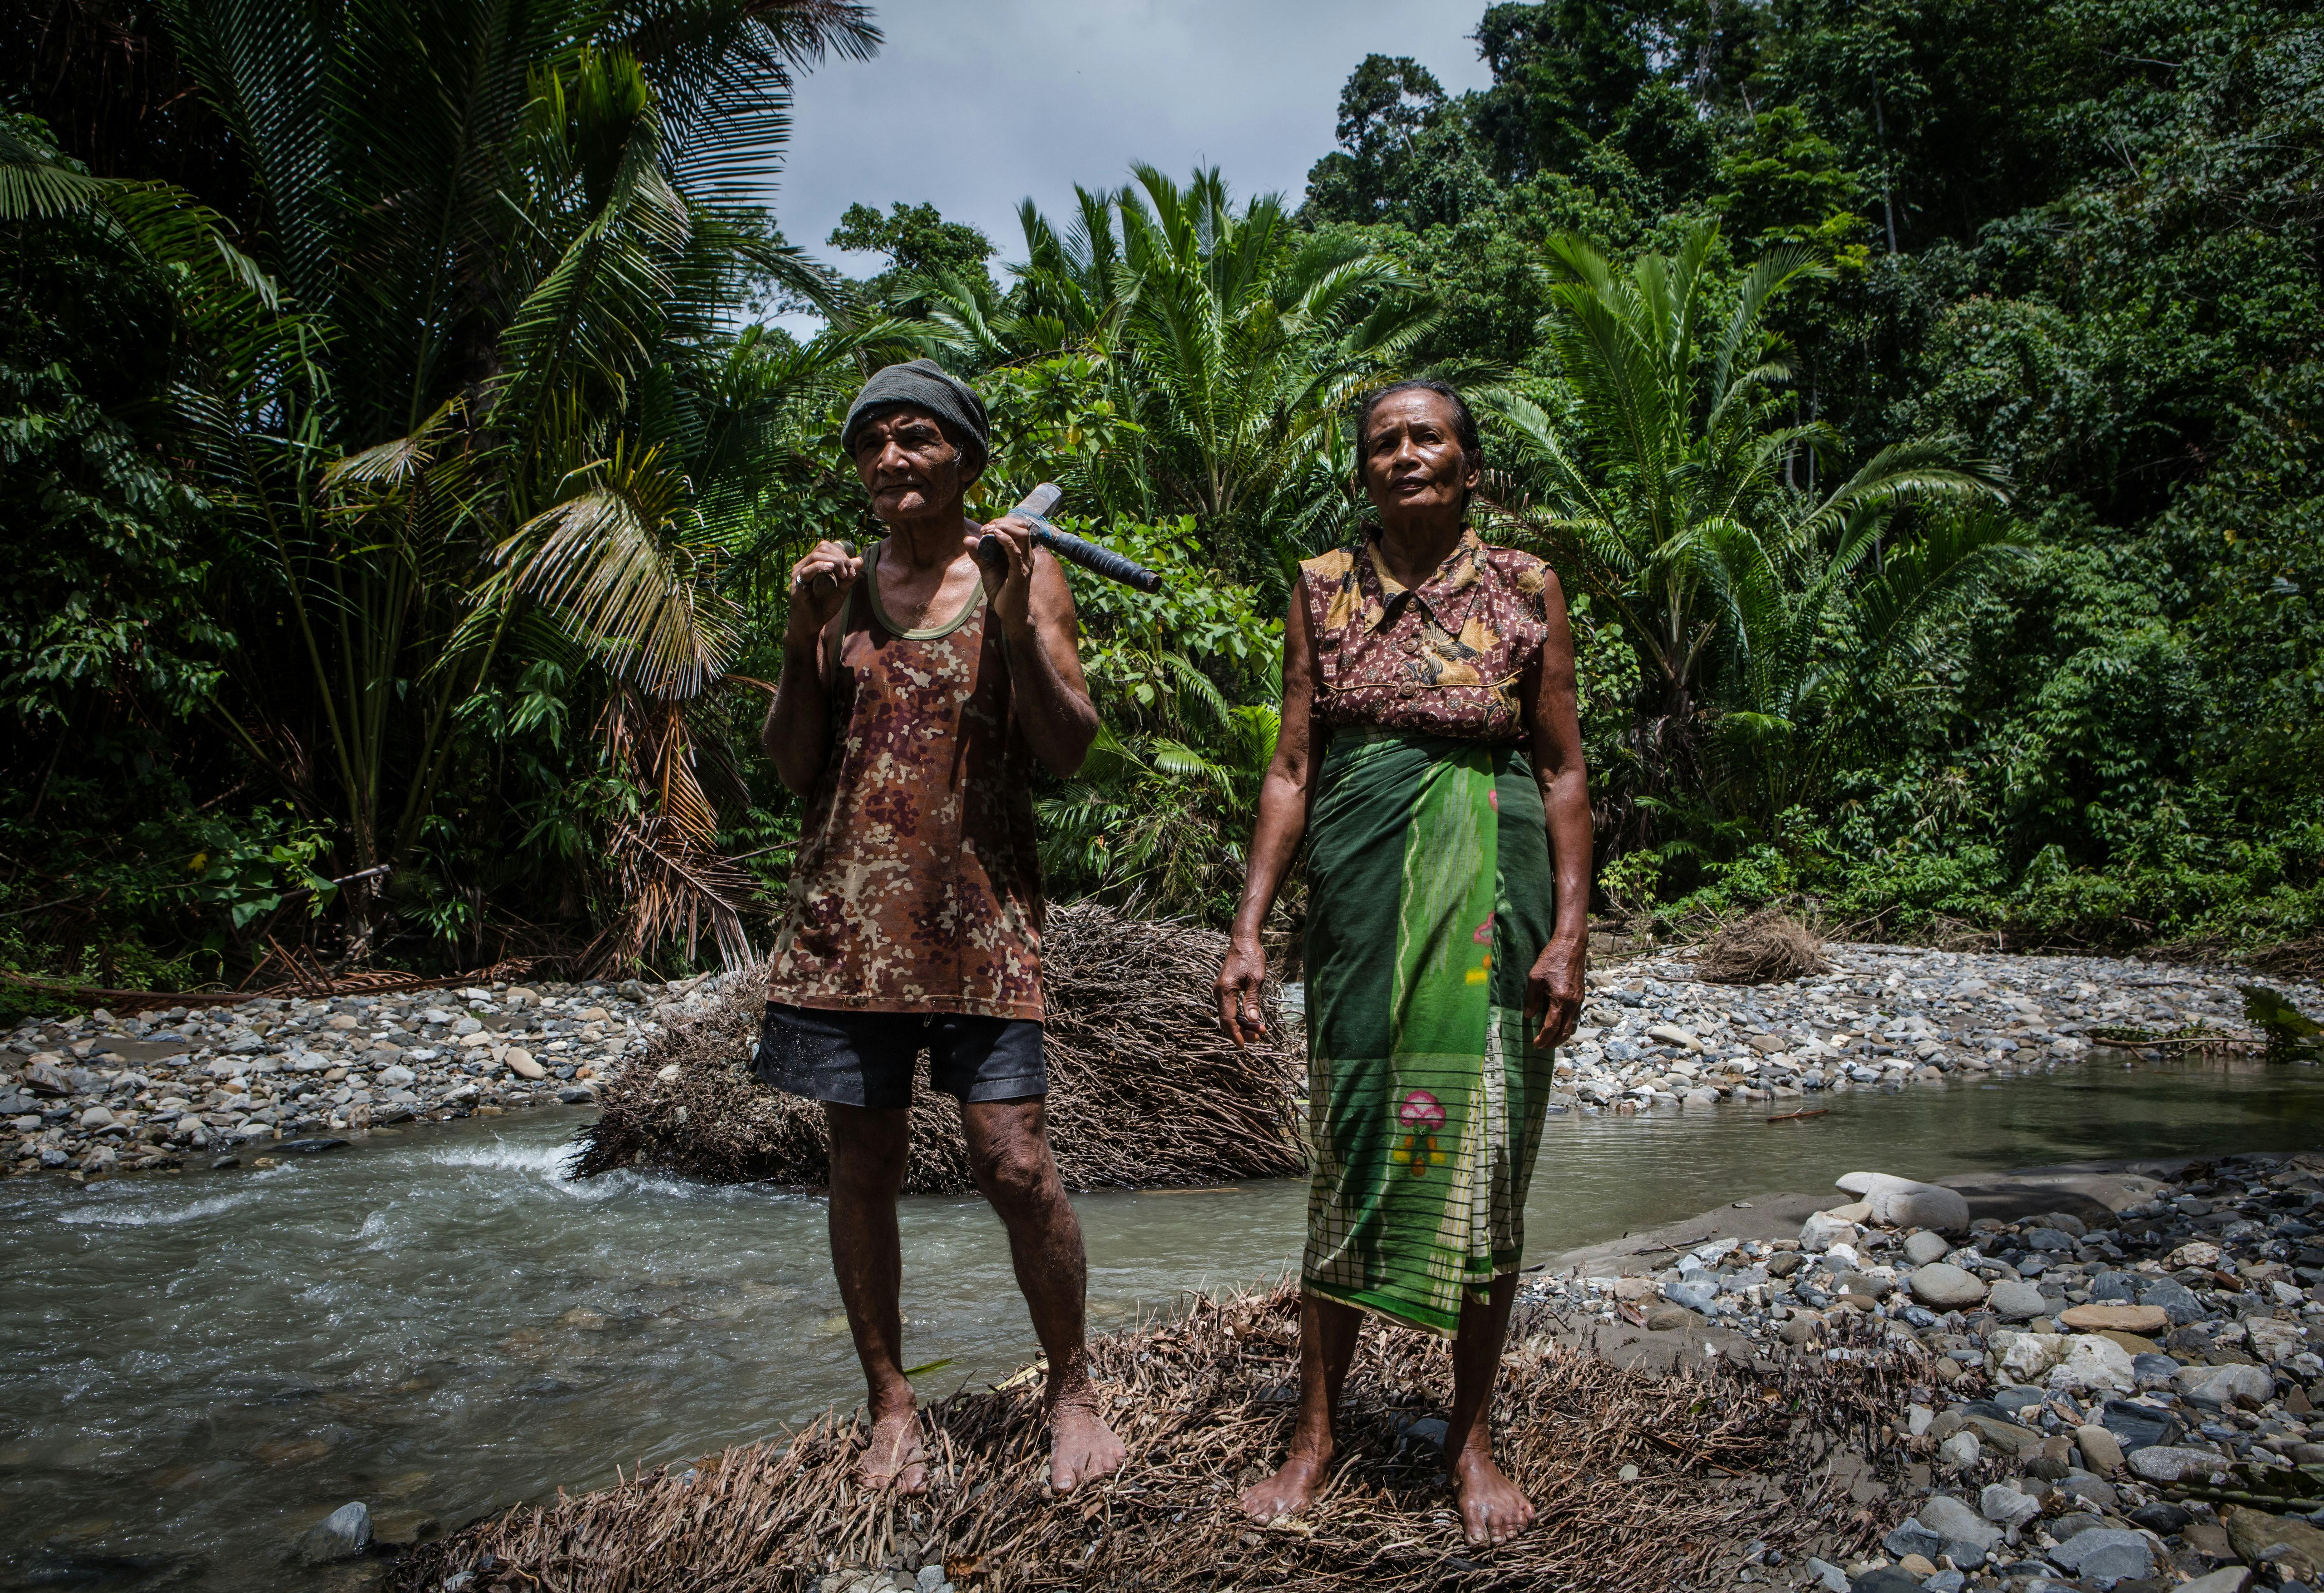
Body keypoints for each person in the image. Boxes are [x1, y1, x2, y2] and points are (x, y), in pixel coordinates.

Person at [1213, 379, 1591, 1548]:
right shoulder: (1323, 587)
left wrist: (1574, 930)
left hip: (1495, 893)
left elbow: (1565, 768)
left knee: (1482, 1152)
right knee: (1356, 1138)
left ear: (1469, 466)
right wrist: (1247, 926)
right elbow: (1289, 765)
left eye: (1428, 436)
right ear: (1362, 472)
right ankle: (1315, 1431)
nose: (1405, 453)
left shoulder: (1527, 585)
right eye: (1384, 442)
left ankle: (1468, 1433)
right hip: (1364, 896)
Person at [760, 358, 1127, 1495]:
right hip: (846, 930)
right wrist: (796, 636)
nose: (888, 460)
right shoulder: (837, 589)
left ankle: (1071, 1386)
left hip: (984, 923)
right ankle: (891, 1405)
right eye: (871, 444)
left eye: (914, 438)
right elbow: (791, 767)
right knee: (859, 1162)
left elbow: (1069, 751)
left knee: (1012, 1162)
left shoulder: (1026, 572)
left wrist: (1015, 616)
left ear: (966, 457)